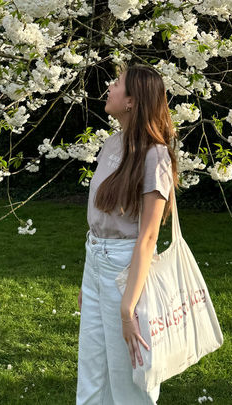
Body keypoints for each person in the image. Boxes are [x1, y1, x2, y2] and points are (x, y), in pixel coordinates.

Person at [76, 64, 179, 405]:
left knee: (129, 378)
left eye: (117, 83)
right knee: (92, 374)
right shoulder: (111, 144)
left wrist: (127, 308)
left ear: (133, 100)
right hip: (96, 261)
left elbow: (148, 237)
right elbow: (100, 220)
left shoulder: (156, 156)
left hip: (126, 269)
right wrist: (87, 279)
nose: (109, 86)